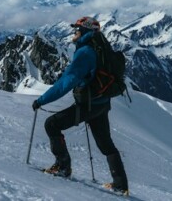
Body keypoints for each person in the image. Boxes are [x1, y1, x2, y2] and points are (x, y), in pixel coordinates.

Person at [31, 16, 129, 195]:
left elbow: (66, 82)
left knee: (52, 124)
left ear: (84, 31)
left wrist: (42, 100)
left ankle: (62, 167)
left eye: (76, 29)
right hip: (101, 104)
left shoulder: (85, 53)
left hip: (88, 105)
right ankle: (120, 184)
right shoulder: (101, 48)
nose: (73, 32)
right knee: (106, 144)